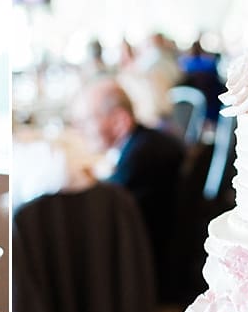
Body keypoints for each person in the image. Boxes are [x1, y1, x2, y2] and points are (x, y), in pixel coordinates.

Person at [74, 78, 185, 299]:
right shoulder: (148, 142)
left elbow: (104, 213)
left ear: (119, 121)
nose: (80, 131)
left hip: (150, 272)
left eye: (87, 121)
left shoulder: (142, 158)